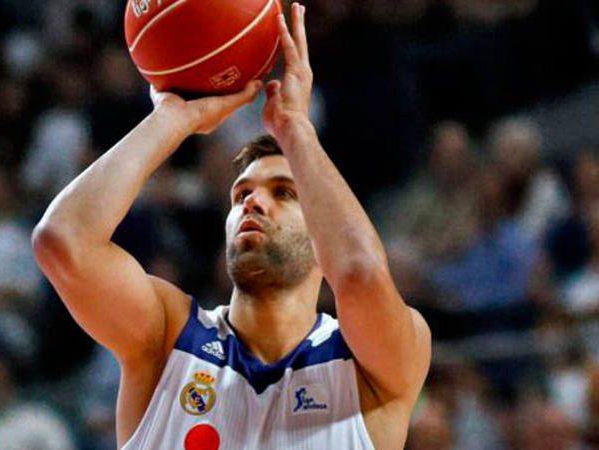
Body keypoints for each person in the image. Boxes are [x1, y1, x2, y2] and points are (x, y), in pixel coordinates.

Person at [32, 4, 431, 449]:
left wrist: (295, 129)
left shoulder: (367, 366)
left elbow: (361, 274)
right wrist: (172, 119)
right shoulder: (167, 339)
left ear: (325, 234)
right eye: (241, 195)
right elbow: (63, 241)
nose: (253, 202)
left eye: (284, 193)